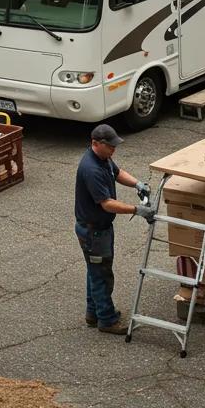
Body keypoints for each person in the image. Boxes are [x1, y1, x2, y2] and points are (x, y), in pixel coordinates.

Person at [74, 124, 153, 334]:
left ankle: (93, 313)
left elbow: (117, 173)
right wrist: (137, 210)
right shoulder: (91, 169)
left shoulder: (103, 158)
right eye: (109, 147)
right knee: (102, 275)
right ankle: (107, 321)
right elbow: (107, 204)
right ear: (95, 144)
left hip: (98, 229)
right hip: (94, 232)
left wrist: (138, 184)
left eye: (113, 146)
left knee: (95, 272)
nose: (113, 150)